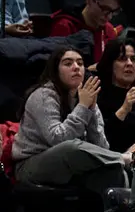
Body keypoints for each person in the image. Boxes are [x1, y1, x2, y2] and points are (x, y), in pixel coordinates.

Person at [12, 47, 124, 198]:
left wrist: (90, 109)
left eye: (80, 63)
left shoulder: (85, 96)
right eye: (68, 63)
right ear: (55, 70)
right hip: (31, 165)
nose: (76, 67)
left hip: (69, 167)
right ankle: (122, 157)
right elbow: (58, 139)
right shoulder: (43, 95)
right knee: (72, 147)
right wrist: (83, 107)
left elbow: (101, 148)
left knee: (115, 171)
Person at [50, 0, 123, 64]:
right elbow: (55, 70)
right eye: (104, 9)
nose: (109, 17)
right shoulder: (65, 26)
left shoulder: (109, 30)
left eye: (113, 11)